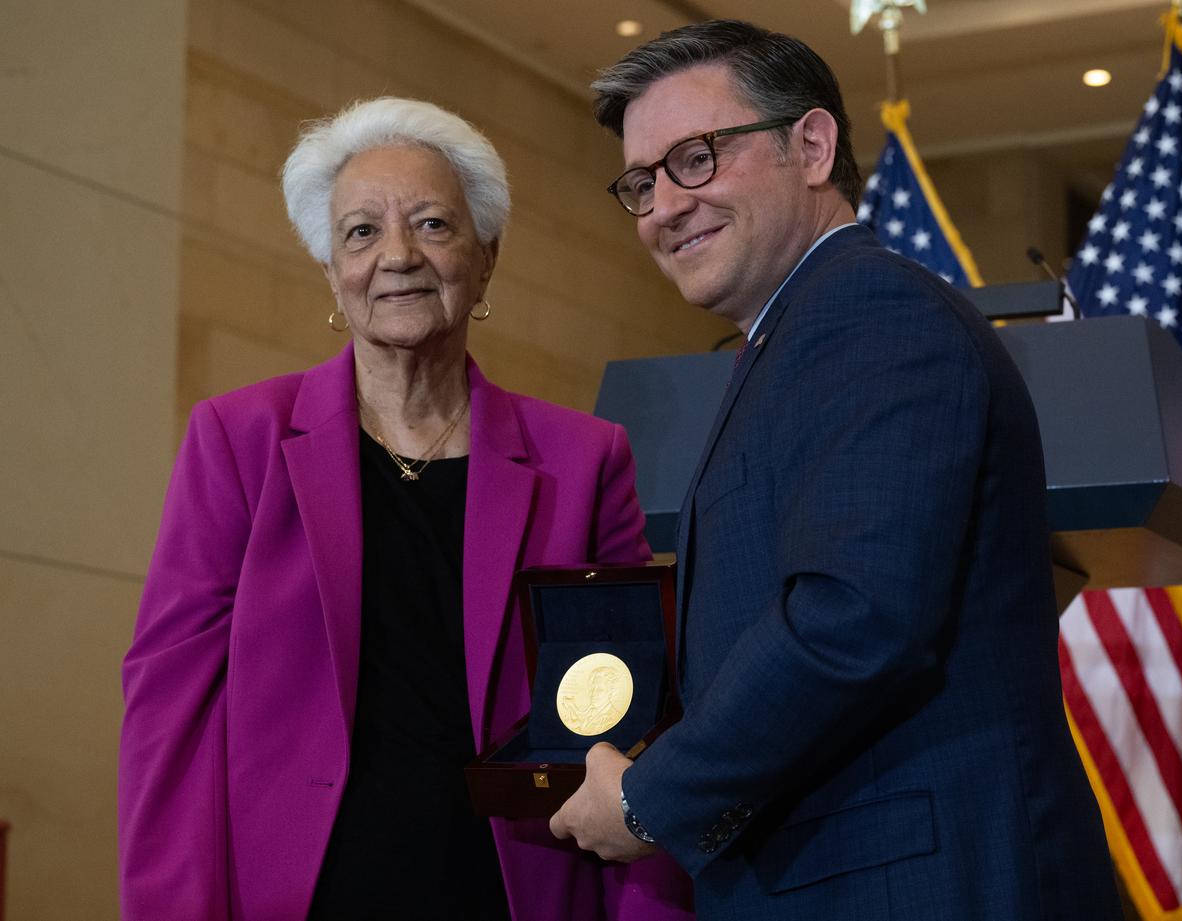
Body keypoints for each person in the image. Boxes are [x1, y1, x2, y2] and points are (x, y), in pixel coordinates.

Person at [550, 20, 1123, 920]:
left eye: (696, 158)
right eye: (641, 181)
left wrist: (647, 797)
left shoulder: (873, 312)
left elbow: (854, 617)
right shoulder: (795, 336)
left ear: (811, 146)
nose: (663, 205)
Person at [119, 97, 693, 921]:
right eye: (360, 232)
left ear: (485, 256)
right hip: (301, 893)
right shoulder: (236, 441)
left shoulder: (585, 459)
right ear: (331, 272)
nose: (397, 256)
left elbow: (635, 724)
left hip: (515, 888)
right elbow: (169, 716)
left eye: (431, 223)